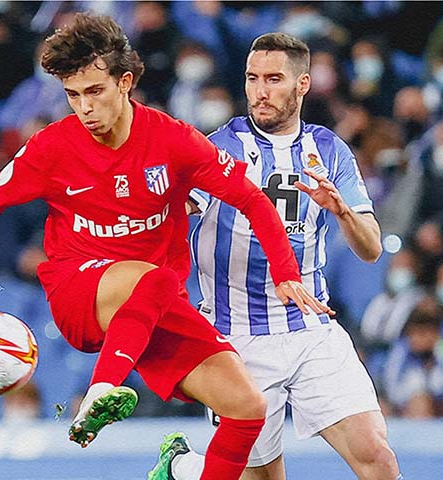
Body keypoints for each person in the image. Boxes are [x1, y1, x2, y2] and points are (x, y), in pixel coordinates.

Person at [0, 14, 331, 480]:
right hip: (80, 290)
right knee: (154, 276)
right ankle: (103, 388)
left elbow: (251, 200)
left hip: (154, 306)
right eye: (73, 95)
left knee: (248, 407)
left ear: (125, 82)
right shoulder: (52, 147)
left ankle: (180, 472)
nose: (84, 108)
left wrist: (286, 272)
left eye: (95, 91)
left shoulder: (174, 141)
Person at [149, 33, 403, 480]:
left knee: (378, 459)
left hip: (312, 330)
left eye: (273, 79)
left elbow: (371, 249)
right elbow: (174, 207)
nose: (260, 91)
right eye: (252, 79)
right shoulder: (218, 148)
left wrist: (342, 210)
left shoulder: (328, 150)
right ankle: (184, 468)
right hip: (235, 338)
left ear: (302, 84)